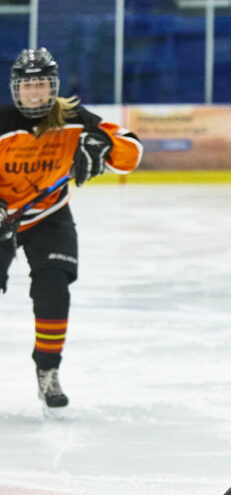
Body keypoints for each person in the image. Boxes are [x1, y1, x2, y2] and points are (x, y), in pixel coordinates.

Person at [0, 48, 142, 409]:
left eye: (42, 84)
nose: (35, 93)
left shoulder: (74, 119)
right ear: (16, 88)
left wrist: (102, 145)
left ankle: (48, 371)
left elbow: (132, 154)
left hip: (48, 215)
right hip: (3, 216)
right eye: (28, 85)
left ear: (54, 87)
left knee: (53, 285)